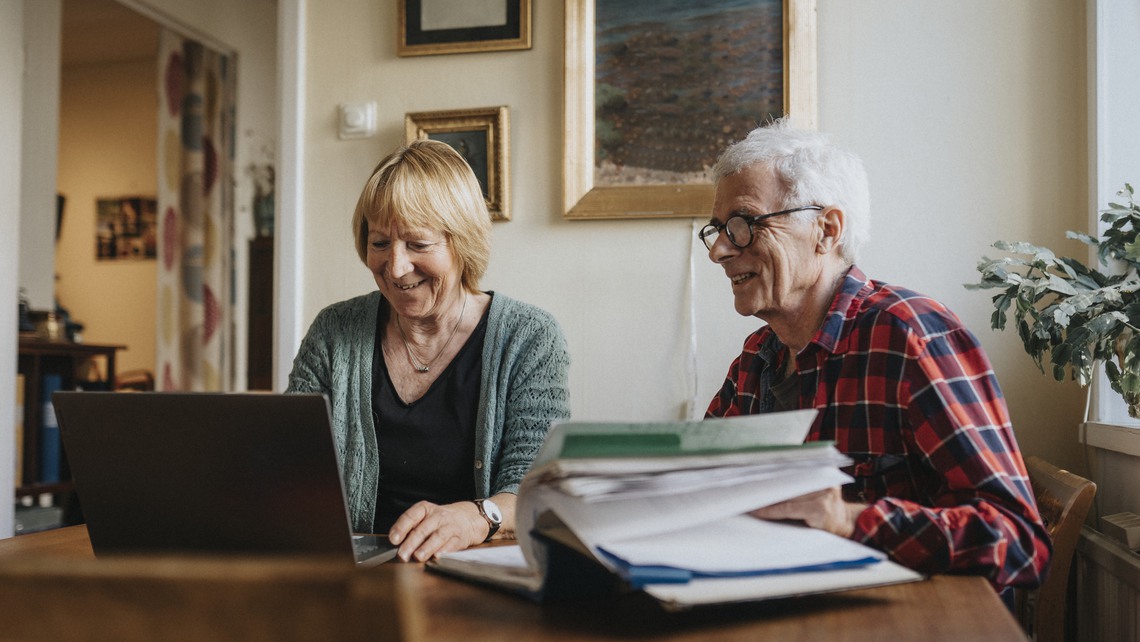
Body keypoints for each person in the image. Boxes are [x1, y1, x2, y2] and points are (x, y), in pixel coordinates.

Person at [700, 118, 1051, 595]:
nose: (719, 250)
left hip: (912, 618)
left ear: (826, 230)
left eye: (743, 224)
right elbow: (700, 487)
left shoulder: (911, 336)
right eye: (718, 230)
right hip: (793, 604)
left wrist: (848, 519)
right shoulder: (757, 358)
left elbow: (1018, 542)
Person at [286, 139, 570, 562]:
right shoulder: (334, 330)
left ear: (462, 242)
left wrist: (475, 518)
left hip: (473, 570)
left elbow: (536, 487)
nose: (396, 267)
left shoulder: (529, 337)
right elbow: (290, 461)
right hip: (354, 573)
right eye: (380, 243)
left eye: (418, 244)